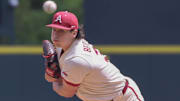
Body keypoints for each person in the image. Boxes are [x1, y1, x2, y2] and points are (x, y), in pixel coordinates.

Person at [45, 11, 144, 101]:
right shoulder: (62, 46)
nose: (56, 35)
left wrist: (55, 76)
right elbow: (49, 78)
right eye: (54, 29)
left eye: (62, 31)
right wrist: (52, 73)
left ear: (74, 33)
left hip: (123, 98)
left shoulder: (77, 59)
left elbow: (66, 92)